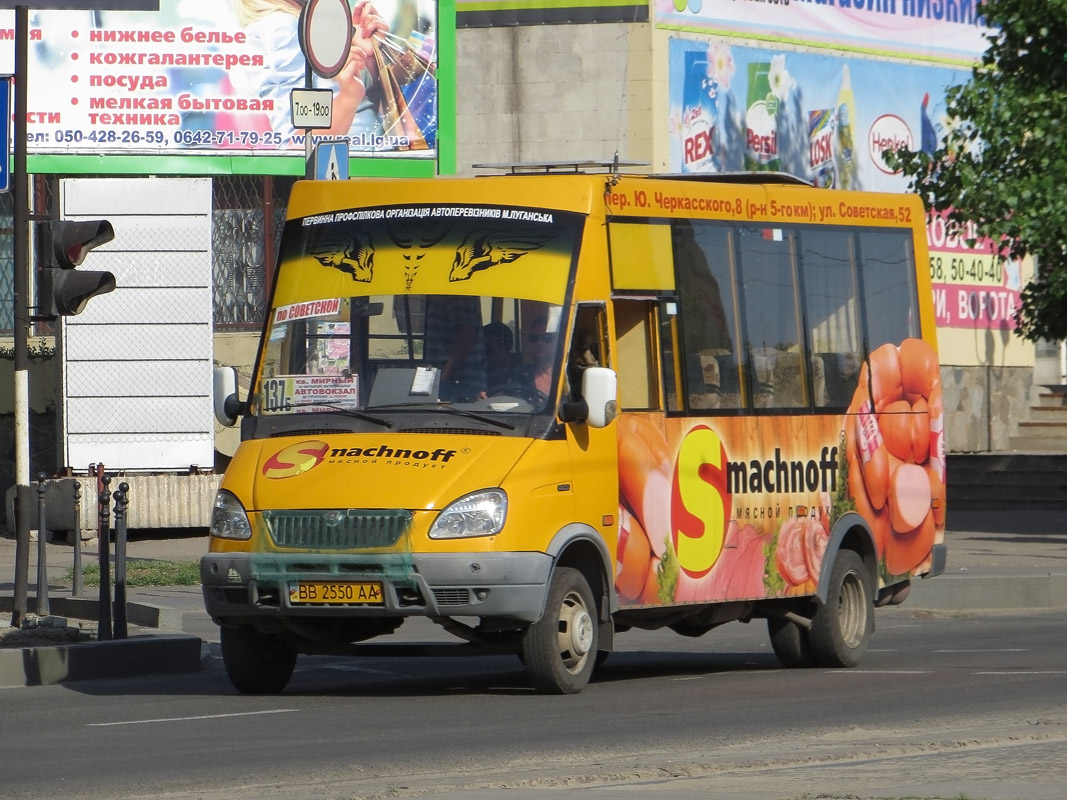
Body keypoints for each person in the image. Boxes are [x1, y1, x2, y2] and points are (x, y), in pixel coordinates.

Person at [231, 0, 389, 142]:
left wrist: (366, 58)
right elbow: (298, 145)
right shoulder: (280, 27)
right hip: (350, 168)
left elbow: (348, 100)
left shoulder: (302, 19)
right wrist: (349, 96)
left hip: (365, 164)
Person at [423, 295, 487, 402]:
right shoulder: (441, 292)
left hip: (459, 384)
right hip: (450, 381)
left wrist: (444, 377)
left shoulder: (456, 292)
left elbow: (465, 336)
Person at [483, 321, 521, 393]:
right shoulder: (478, 379)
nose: (484, 355)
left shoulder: (521, 378)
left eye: (489, 350)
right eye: (481, 351)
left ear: (506, 348)